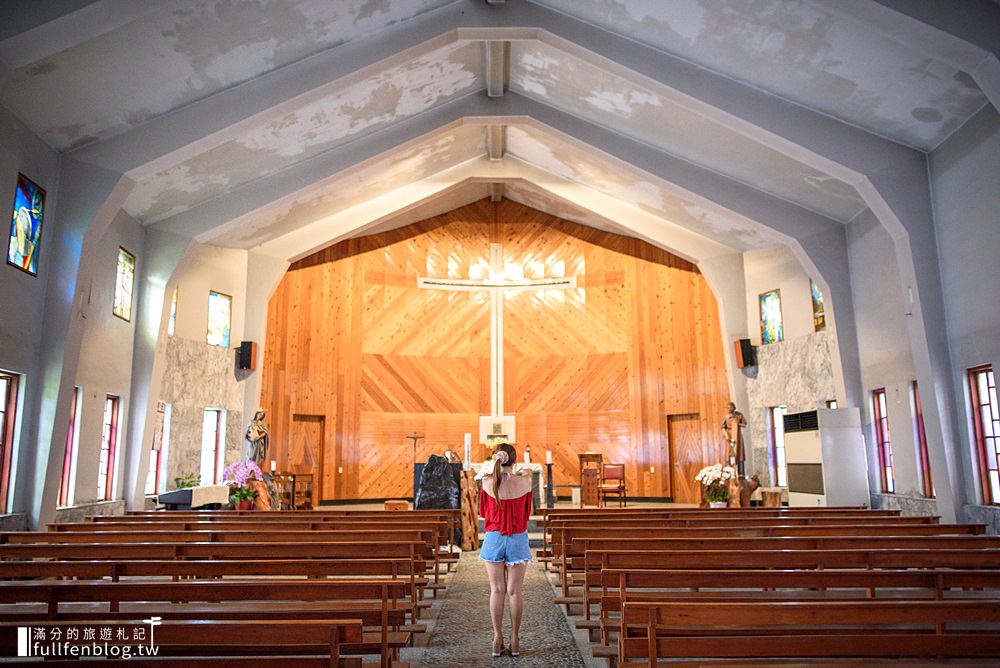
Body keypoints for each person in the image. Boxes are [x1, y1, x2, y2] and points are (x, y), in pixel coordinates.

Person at [479, 442, 532, 657]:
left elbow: (483, 512)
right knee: (515, 592)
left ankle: (497, 638)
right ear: (514, 459)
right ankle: (515, 639)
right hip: (518, 537)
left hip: (494, 537)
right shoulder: (526, 481)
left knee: (497, 590)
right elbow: (529, 510)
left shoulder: (486, 482)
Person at [721, 402, 748, 475]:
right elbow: (723, 427)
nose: (729, 409)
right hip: (730, 435)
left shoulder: (739, 415)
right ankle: (730, 471)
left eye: (730, 407)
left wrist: (737, 423)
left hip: (738, 435)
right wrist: (726, 435)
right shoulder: (726, 417)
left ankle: (741, 473)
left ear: (734, 407)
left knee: (740, 453)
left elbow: (745, 424)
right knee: (730, 452)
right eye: (728, 408)